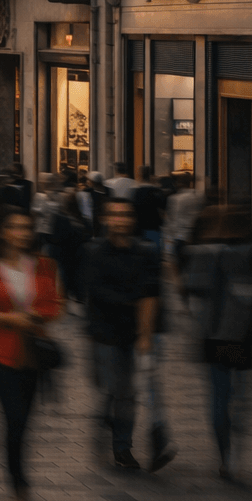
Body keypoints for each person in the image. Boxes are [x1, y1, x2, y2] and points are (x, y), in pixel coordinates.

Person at [0, 209, 63, 501]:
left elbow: (54, 304)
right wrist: (8, 318)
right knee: (15, 417)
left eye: (26, 227)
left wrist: (34, 316)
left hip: (32, 353)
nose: (21, 232)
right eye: (15, 227)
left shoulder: (45, 265)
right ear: (2, 232)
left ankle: (19, 478)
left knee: (25, 421)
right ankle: (19, 485)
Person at [85, 198, 173, 472]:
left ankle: (121, 443)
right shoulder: (94, 251)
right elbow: (97, 291)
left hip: (138, 331)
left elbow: (152, 292)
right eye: (115, 214)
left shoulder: (146, 252)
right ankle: (117, 436)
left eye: (125, 215)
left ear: (132, 220)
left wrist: (146, 333)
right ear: (105, 219)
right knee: (120, 390)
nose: (120, 219)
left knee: (132, 391)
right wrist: (132, 301)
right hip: (105, 333)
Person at [182, 203, 252, 480]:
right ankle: (236, 448)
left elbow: (191, 290)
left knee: (218, 396)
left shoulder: (202, 253)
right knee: (241, 395)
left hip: (212, 334)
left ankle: (225, 454)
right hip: (241, 334)